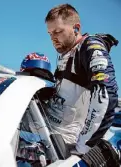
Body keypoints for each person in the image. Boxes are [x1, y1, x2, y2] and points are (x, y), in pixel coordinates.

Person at [44, 3, 119, 155]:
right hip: (46, 135)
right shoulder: (67, 53)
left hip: (64, 147)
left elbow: (105, 96)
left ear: (76, 28)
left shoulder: (90, 47)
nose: (53, 38)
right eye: (50, 34)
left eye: (58, 31)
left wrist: (84, 147)